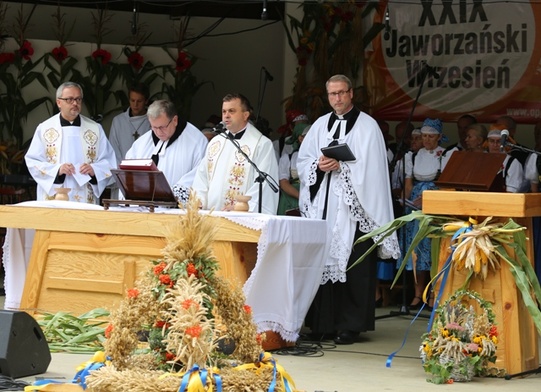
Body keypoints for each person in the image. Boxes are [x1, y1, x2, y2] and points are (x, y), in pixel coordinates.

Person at [297, 74, 399, 344]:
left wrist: (343, 168)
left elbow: (374, 170)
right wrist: (318, 166)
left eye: (342, 93)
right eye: (332, 94)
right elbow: (303, 159)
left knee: (354, 267)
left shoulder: (368, 127)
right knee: (323, 264)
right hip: (325, 210)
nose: (338, 99)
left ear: (351, 94)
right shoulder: (320, 124)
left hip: (354, 210)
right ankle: (323, 323)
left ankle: (349, 326)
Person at [25, 82, 116, 204]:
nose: (75, 103)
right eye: (69, 99)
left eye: (78, 99)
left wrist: (94, 170)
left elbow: (109, 162)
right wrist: (57, 170)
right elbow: (33, 162)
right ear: (59, 102)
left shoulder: (95, 129)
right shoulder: (45, 128)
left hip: (85, 194)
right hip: (55, 194)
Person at [192, 93, 279, 214]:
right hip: (211, 216)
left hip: (241, 217)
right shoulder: (215, 142)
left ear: (245, 115)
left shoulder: (261, 144)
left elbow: (263, 185)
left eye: (231, 111)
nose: (226, 116)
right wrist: (199, 201)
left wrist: (242, 207)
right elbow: (202, 177)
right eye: (224, 111)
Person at [403, 118, 457, 310]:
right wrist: (407, 202)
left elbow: (448, 182)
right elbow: (409, 183)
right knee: (416, 250)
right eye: (424, 136)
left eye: (430, 136)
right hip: (416, 207)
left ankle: (434, 293)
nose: (426, 140)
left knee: (433, 248)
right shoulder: (413, 156)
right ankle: (418, 294)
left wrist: (431, 197)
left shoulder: (446, 155)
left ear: (439, 137)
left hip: (435, 204)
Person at [124, 100, 207, 205]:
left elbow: (199, 175)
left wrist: (168, 196)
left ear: (175, 120)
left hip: (176, 212)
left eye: (162, 127)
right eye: (154, 127)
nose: (158, 132)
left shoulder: (196, 141)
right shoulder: (141, 144)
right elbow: (128, 174)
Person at [108, 83, 151, 198]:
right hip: (122, 176)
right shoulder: (118, 121)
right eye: (132, 100)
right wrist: (122, 173)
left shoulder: (152, 121)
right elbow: (113, 150)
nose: (135, 105)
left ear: (146, 101)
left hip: (145, 177)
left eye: (139, 101)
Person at [277, 123, 310, 215]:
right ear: (300, 138)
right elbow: (283, 183)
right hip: (291, 200)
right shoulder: (288, 158)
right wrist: (302, 198)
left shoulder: (320, 158)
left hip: (312, 199)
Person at [487, 127, 527, 193]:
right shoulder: (481, 160)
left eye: (499, 141)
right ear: (487, 143)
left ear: (505, 143)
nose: (495, 145)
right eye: (492, 141)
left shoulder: (512, 162)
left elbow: (511, 192)